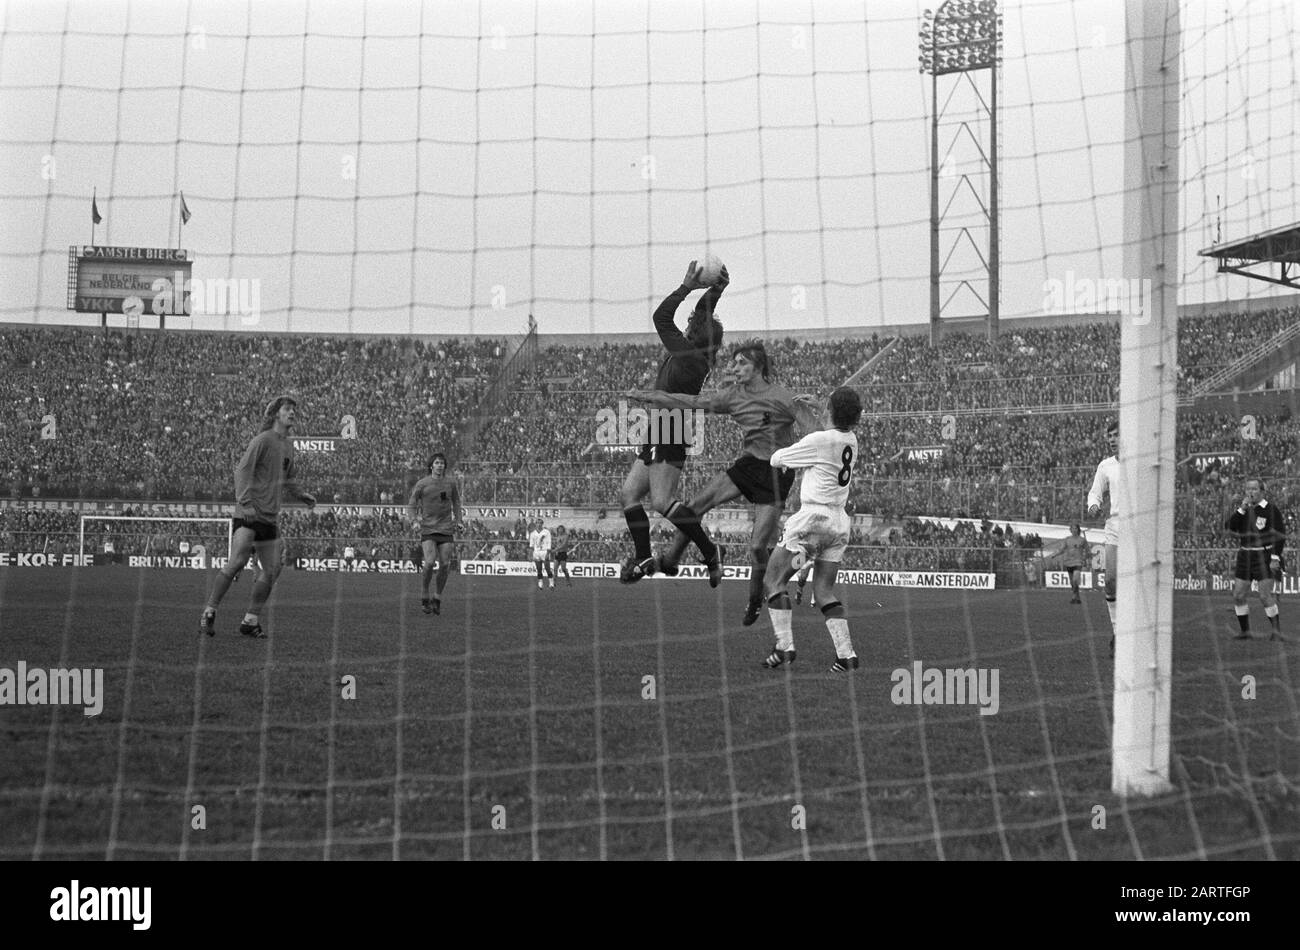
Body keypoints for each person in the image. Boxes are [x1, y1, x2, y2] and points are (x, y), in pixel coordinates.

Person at [630, 342, 822, 624]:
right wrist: (651, 396)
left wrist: (818, 411)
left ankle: (755, 598)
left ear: (758, 368)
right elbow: (693, 402)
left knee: (757, 547)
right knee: (694, 506)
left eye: (741, 363)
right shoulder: (732, 396)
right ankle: (671, 561)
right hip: (748, 464)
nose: (734, 368)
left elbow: (816, 434)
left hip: (776, 472)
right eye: (733, 363)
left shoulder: (784, 398)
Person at [619, 260, 726, 583]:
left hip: (670, 428)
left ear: (694, 333)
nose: (690, 321)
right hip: (660, 427)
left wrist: (686, 288)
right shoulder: (694, 351)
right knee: (629, 495)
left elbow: (660, 318)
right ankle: (643, 556)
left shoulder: (688, 355)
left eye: (693, 322)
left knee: (663, 502)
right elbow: (702, 315)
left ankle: (710, 551)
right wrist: (716, 289)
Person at [757, 387, 863, 671]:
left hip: (812, 523)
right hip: (837, 527)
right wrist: (821, 409)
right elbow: (831, 432)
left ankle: (785, 647)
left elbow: (778, 459)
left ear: (829, 410)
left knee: (774, 580)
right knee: (825, 591)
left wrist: (773, 440)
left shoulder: (818, 440)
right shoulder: (851, 440)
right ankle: (846, 656)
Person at [199, 395, 316, 639]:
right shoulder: (262, 440)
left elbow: (288, 478)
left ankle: (250, 621)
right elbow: (241, 471)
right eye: (287, 409)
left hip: (270, 519)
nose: (292, 413)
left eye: (294, 410)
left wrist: (302, 495)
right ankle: (209, 611)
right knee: (238, 561)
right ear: (276, 414)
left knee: (273, 569)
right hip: (250, 513)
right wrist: (246, 503)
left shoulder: (289, 446)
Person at [1225, 477, 1291, 641]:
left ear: (1262, 491)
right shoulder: (1244, 510)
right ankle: (1245, 631)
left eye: (1254, 489)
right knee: (1238, 594)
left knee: (1264, 596)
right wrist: (1241, 509)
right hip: (1245, 555)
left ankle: (1276, 631)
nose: (1250, 492)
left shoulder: (1270, 509)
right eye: (1248, 489)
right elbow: (1229, 527)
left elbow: (1280, 535)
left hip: (1264, 555)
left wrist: (1275, 557)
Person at [408, 452, 463, 615]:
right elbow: (411, 505)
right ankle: (424, 594)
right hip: (428, 528)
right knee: (430, 562)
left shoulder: (450, 483)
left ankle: (437, 598)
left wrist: (459, 520)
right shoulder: (422, 484)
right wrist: (414, 521)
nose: (440, 465)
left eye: (442, 463)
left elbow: (457, 502)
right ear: (431, 465)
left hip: (446, 528)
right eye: (437, 463)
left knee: (445, 564)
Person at [1086, 419, 1120, 657]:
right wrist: (1093, 506)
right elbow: (1095, 493)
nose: (1112, 440)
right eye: (1109, 437)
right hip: (1115, 526)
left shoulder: (1140, 463)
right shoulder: (1106, 465)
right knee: (1109, 581)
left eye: (1116, 435)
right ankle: (1118, 632)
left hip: (1139, 526)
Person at [1058, 522, 1092, 604]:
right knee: (1072, 582)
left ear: (1078, 529)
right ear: (1070, 530)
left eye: (1075, 528)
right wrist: (1056, 554)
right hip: (1068, 562)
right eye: (1072, 528)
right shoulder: (1067, 539)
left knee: (1075, 579)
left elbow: (1088, 551)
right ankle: (1076, 597)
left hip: (1078, 562)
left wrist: (1085, 558)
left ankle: (1074, 597)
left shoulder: (1082, 540)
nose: (1074, 530)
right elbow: (1062, 549)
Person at [528, 518, 554, 589]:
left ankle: (551, 582)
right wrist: (530, 555)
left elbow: (549, 542)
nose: (539, 524)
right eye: (537, 523)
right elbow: (531, 545)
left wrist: (548, 553)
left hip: (544, 551)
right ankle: (540, 582)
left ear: (542, 524)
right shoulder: (532, 533)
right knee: (539, 568)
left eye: (540, 523)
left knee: (547, 568)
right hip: (536, 552)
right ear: (535, 524)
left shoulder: (546, 532)